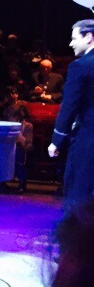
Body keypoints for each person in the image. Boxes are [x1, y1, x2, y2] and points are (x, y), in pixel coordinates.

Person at [49, 20, 94, 210]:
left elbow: (69, 106)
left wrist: (57, 140)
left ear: (89, 37)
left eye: (74, 38)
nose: (70, 43)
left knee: (79, 190)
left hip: (88, 139)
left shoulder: (80, 66)